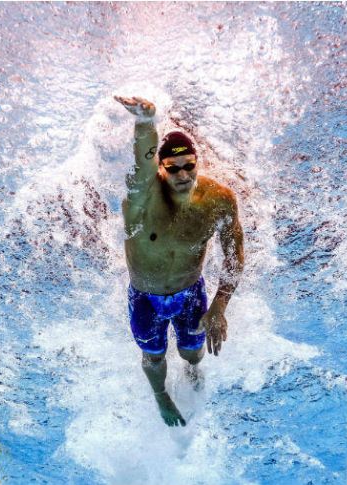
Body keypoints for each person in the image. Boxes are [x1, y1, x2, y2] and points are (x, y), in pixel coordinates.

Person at [115, 95, 245, 427]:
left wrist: (219, 308)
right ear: (161, 168)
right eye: (173, 168)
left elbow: (234, 256)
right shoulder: (143, 196)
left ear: (197, 162)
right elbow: (141, 162)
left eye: (189, 165)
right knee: (154, 356)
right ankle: (161, 396)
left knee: (192, 353)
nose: (183, 174)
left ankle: (191, 368)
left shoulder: (219, 200)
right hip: (146, 296)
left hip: (190, 292)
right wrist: (145, 123)